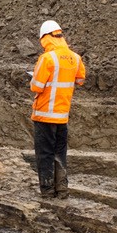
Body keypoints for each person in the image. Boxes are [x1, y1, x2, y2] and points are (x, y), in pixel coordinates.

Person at [30, 20, 86, 199]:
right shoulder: (75, 58)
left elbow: (36, 86)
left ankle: (47, 191)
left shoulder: (47, 58)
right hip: (62, 116)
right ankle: (62, 190)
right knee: (60, 152)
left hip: (44, 115)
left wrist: (34, 78)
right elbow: (79, 80)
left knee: (44, 153)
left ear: (46, 38)